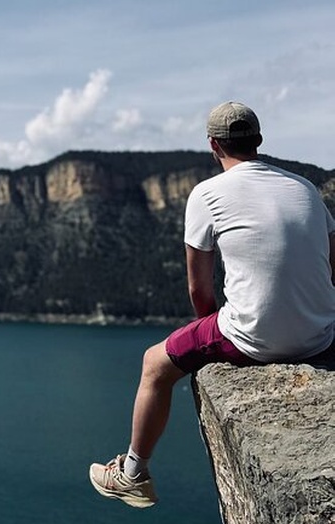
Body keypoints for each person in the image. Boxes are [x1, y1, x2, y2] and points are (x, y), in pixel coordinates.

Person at [88, 101, 335, 508]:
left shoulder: (206, 194)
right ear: (259, 140)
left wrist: (210, 334)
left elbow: (199, 288)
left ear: (213, 145)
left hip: (252, 339)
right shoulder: (304, 187)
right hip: (321, 337)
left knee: (154, 364)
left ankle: (132, 473)